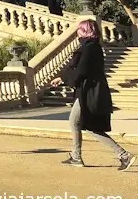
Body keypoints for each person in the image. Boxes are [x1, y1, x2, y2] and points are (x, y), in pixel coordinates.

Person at [51, 20, 135, 171]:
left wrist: (66, 80)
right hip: (88, 90)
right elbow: (76, 68)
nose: (77, 32)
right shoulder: (89, 46)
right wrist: (62, 78)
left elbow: (81, 71)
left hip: (90, 92)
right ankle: (120, 155)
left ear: (85, 31)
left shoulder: (90, 48)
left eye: (79, 29)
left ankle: (120, 155)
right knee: (87, 125)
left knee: (78, 122)